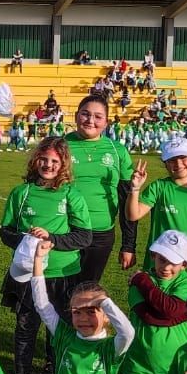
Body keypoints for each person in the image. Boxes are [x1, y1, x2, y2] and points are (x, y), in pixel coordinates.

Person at [0, 137, 91, 374]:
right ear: (35, 159)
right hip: (28, 273)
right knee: (25, 327)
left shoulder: (71, 194)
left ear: (63, 164)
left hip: (62, 274)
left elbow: (84, 236)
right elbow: (5, 232)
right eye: (44, 159)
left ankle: (51, 373)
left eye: (54, 161)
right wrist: (27, 240)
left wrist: (51, 239)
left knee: (57, 330)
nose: (48, 165)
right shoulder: (21, 192)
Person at [124, 138, 187, 289]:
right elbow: (133, 215)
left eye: (183, 158)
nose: (178, 164)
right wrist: (135, 189)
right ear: (165, 164)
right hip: (160, 264)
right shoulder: (159, 187)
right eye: (172, 160)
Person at [118, 230, 187, 374]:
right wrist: (179, 315)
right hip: (140, 370)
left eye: (173, 262)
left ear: (184, 265)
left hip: (178, 372)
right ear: (154, 256)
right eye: (161, 259)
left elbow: (169, 310)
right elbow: (151, 315)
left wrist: (141, 280)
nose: (166, 266)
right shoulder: (140, 283)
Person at [65, 93, 137, 284]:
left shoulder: (117, 151)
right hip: (65, 229)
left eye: (98, 116)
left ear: (106, 122)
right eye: (85, 114)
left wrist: (128, 245)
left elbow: (126, 200)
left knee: (87, 290)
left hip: (101, 234)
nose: (90, 120)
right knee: (60, 290)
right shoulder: (60, 146)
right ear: (76, 116)